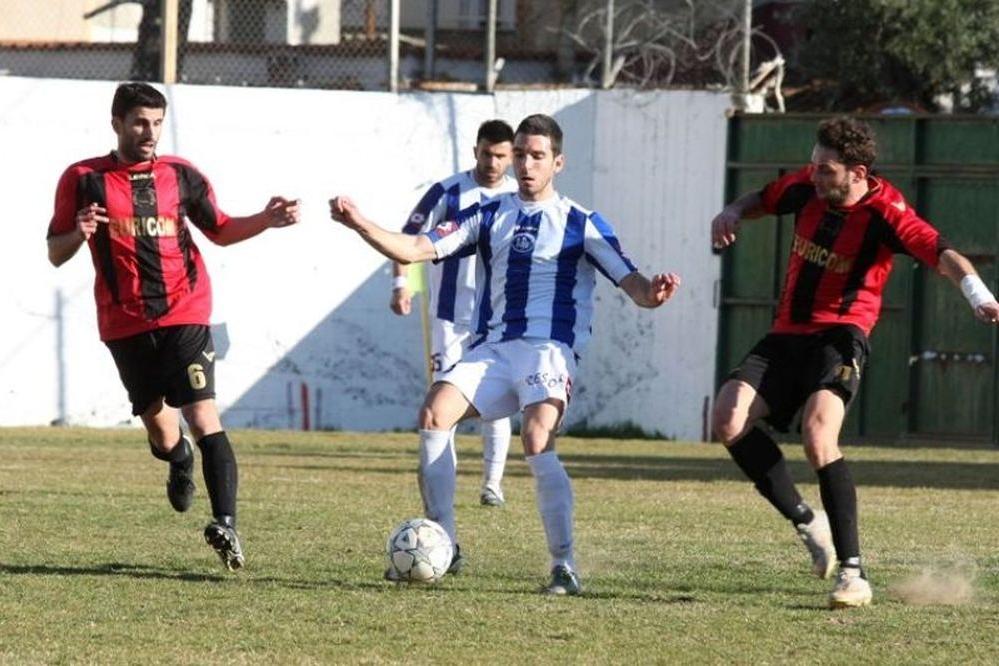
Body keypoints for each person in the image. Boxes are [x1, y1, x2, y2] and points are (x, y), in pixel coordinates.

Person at [331, 113, 681, 595]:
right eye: (520, 154)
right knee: (435, 413)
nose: (526, 164)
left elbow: (635, 285)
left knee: (536, 438)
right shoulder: (489, 214)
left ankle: (563, 565)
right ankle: (446, 543)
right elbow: (414, 249)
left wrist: (654, 293)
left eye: (537, 156)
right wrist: (359, 224)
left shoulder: (582, 223)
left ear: (557, 162)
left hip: (550, 352)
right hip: (495, 350)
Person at [709, 116, 999, 609]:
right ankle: (807, 521)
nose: (814, 175)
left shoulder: (888, 213)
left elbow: (942, 251)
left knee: (819, 436)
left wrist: (977, 294)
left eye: (826, 170)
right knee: (727, 419)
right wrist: (731, 213)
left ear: (857, 172)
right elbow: (762, 199)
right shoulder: (806, 186)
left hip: (841, 337)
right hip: (786, 334)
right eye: (814, 165)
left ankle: (854, 574)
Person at [46, 82, 300, 571]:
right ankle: (178, 460)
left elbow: (221, 229)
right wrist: (77, 234)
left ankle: (225, 523)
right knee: (164, 434)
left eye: (157, 122)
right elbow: (54, 253)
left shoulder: (181, 176)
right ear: (116, 122)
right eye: (140, 122)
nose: (150, 132)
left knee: (203, 417)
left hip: (186, 311)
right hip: (124, 323)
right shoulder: (82, 178)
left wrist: (265, 220)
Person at [391, 119, 517, 508]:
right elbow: (407, 237)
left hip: (496, 318)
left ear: (511, 157)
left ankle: (492, 484)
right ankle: (445, 487)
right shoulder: (447, 191)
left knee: (494, 400)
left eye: (500, 155)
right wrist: (401, 285)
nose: (492, 162)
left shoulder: (519, 197)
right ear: (475, 151)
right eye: (486, 153)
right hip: (448, 315)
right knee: (442, 401)